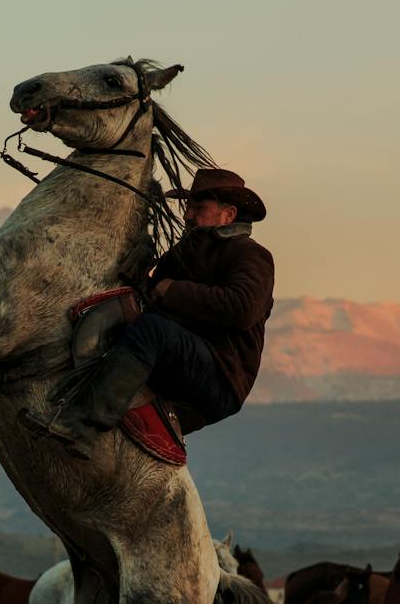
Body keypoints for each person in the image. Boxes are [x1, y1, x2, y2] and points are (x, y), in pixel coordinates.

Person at [19, 168, 274, 459]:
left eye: (198, 208)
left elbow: (242, 309)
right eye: (188, 207)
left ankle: (84, 424)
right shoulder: (186, 252)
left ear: (228, 215)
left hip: (220, 376)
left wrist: (173, 291)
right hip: (183, 357)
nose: (188, 215)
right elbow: (150, 289)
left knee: (152, 330)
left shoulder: (249, 254)